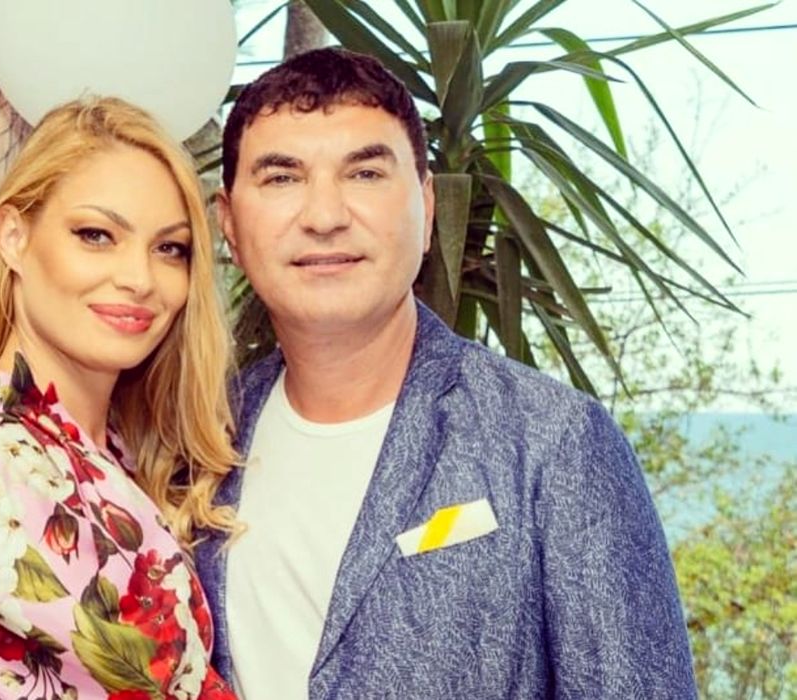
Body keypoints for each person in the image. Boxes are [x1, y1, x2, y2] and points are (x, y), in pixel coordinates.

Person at [196, 48, 697, 699]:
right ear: (229, 224)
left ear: (428, 206)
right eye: (282, 178)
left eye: (365, 173)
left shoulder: (553, 441)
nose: (324, 216)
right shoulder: (197, 437)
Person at [0, 97, 238, 699]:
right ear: (14, 237)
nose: (139, 278)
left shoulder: (104, 449)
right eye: (96, 235)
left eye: (170, 248)